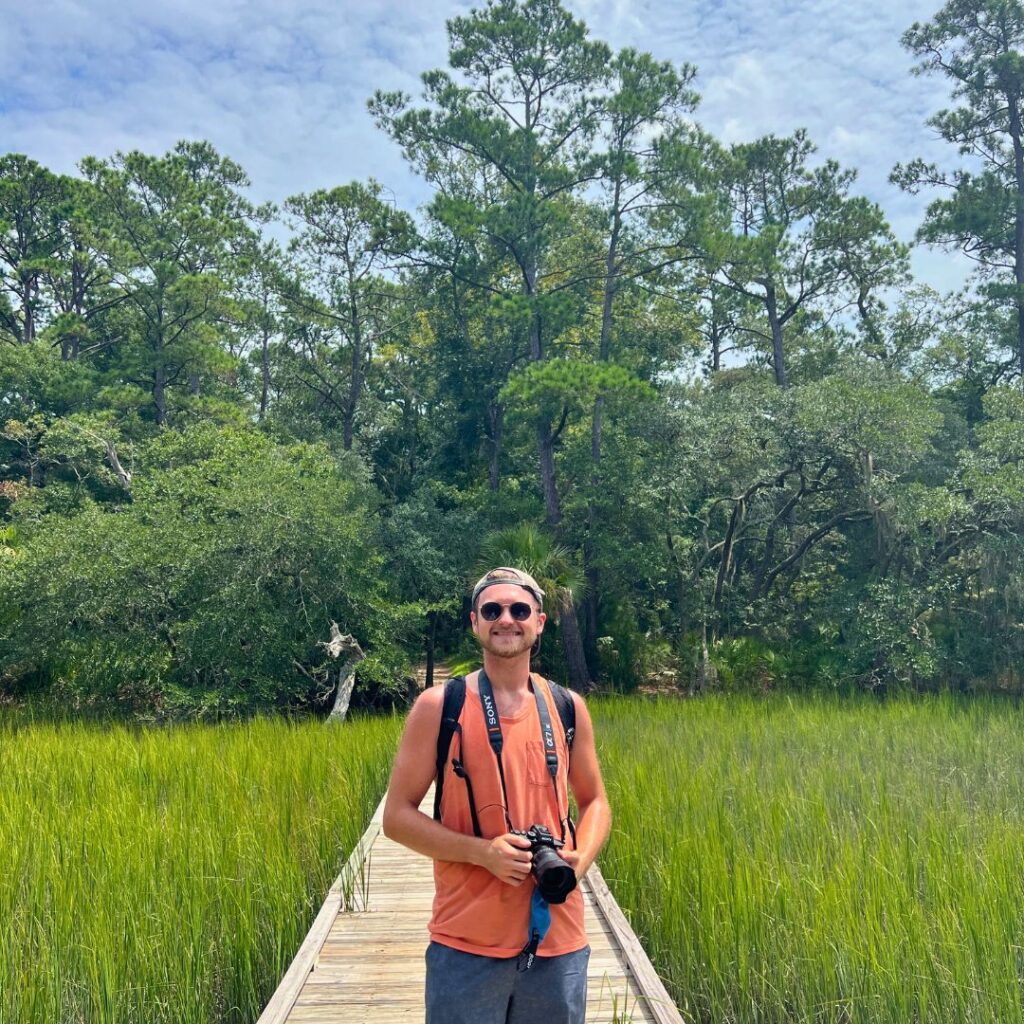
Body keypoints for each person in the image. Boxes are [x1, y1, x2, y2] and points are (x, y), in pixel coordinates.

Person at [382, 566, 612, 1024]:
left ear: (540, 622)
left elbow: (596, 802)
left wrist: (579, 859)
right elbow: (396, 817)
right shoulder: (439, 706)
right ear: (474, 622)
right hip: (465, 944)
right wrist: (483, 853)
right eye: (492, 609)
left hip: (557, 940)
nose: (506, 618)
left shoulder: (567, 706)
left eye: (519, 609)